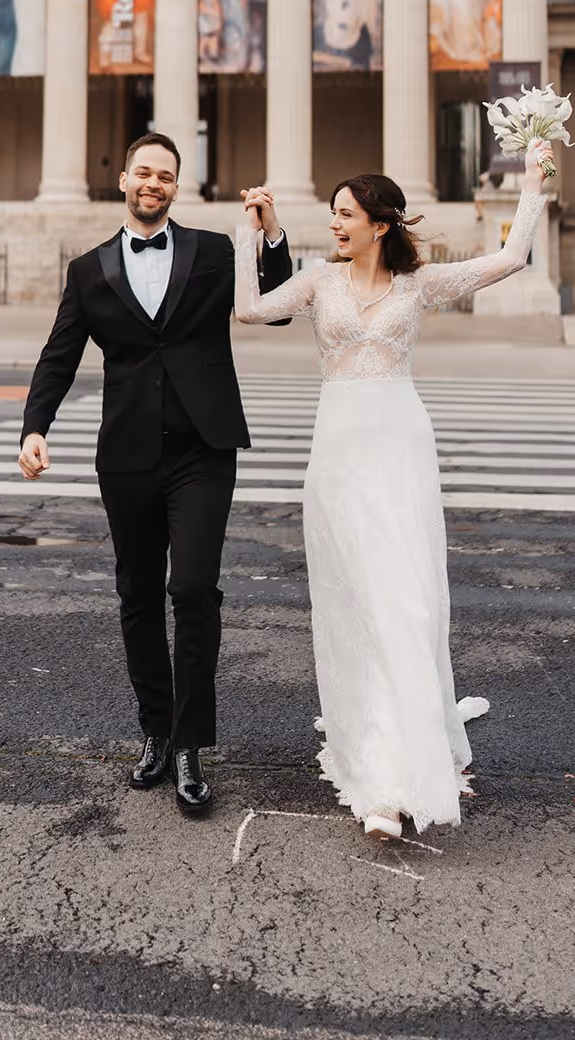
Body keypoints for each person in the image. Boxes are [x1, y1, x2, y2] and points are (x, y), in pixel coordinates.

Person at [234, 140, 556, 837]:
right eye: (332, 213)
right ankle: (378, 774)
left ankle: (410, 763)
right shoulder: (318, 281)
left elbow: (508, 261)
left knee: (407, 604)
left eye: (346, 213)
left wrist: (530, 188)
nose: (336, 223)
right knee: (358, 605)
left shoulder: (419, 285)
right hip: (339, 457)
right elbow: (250, 312)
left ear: (380, 223)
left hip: (401, 449)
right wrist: (252, 233)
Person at [18, 134, 293, 816]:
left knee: (193, 589)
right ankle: (154, 734)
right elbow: (59, 355)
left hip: (204, 448)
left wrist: (272, 233)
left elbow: (279, 304)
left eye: (165, 176)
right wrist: (34, 428)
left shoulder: (210, 251)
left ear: (176, 186)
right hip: (128, 455)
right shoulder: (88, 270)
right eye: (144, 172)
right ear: (122, 180)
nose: (154, 183)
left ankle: (192, 746)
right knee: (138, 597)